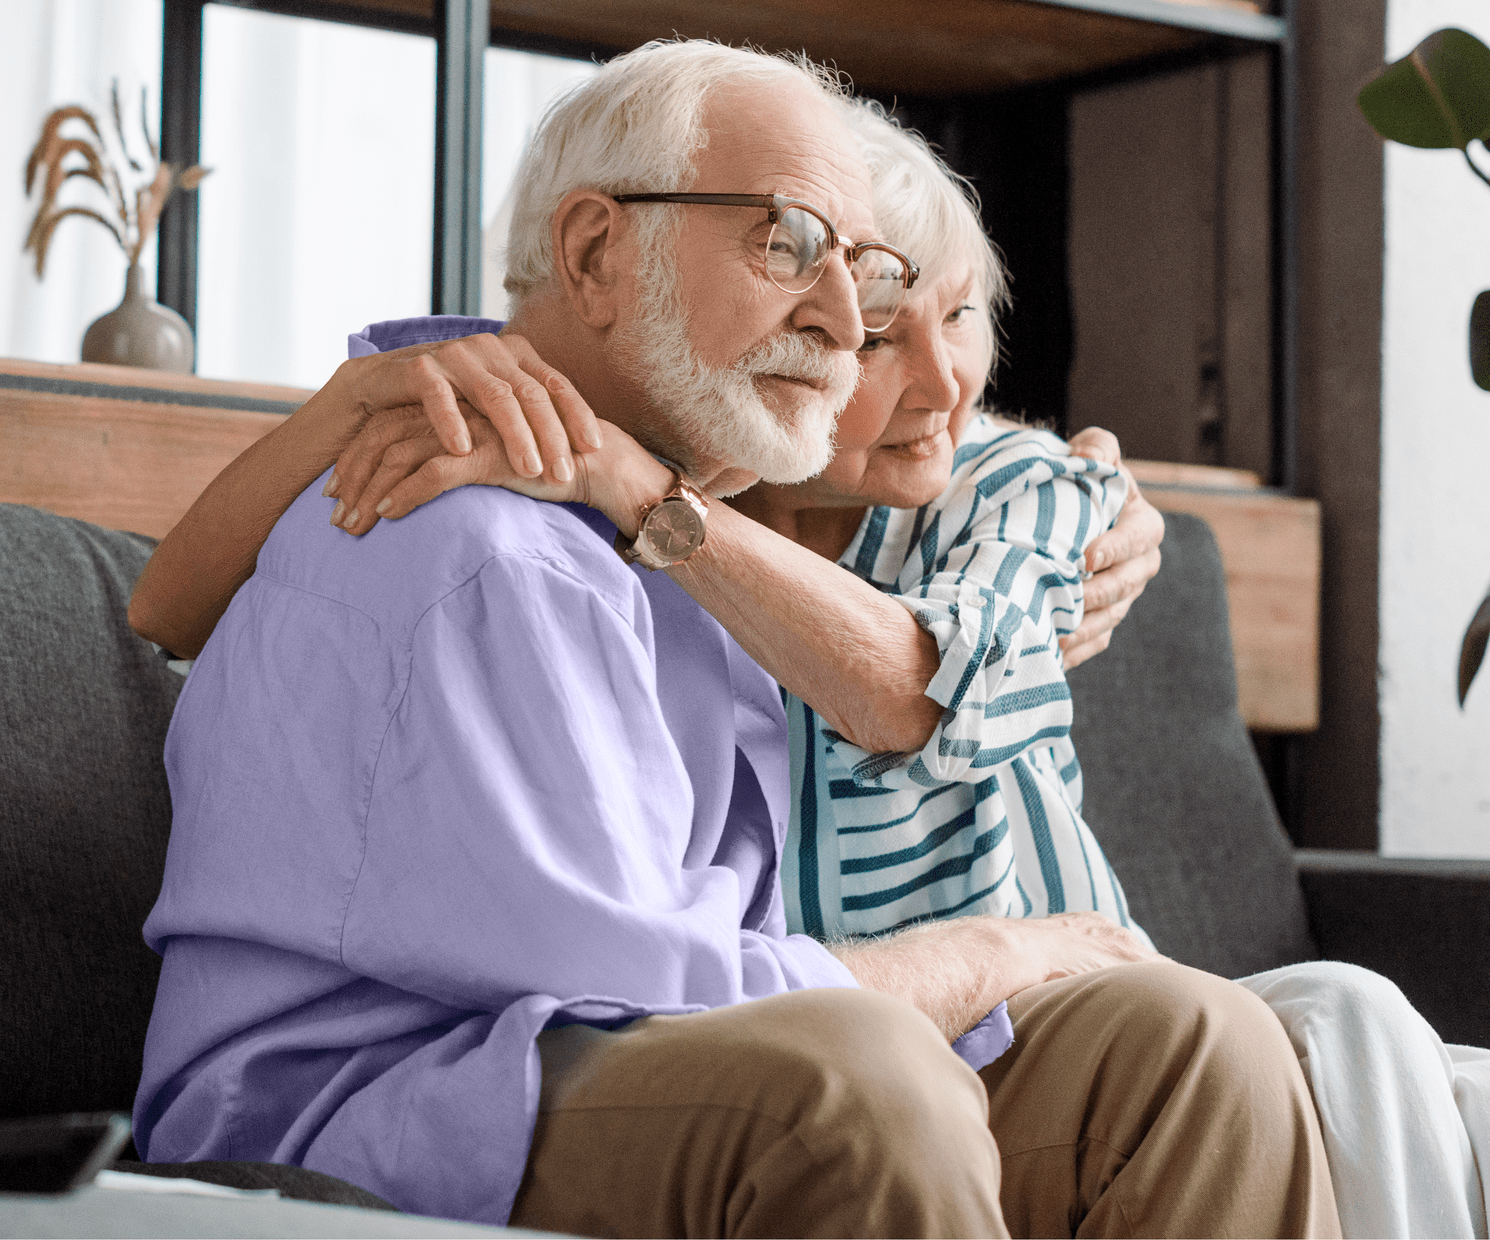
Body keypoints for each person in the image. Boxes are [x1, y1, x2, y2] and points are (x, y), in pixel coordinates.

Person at [198, 82, 1490, 1240]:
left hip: (670, 1034)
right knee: (861, 1076)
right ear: (594, 251)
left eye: (863, 275)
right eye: (789, 248)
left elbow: (921, 659)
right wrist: (986, 957)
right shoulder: (487, 532)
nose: (840, 320)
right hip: (423, 1082)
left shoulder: (714, 531)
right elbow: (636, 980)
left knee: (1196, 1043)